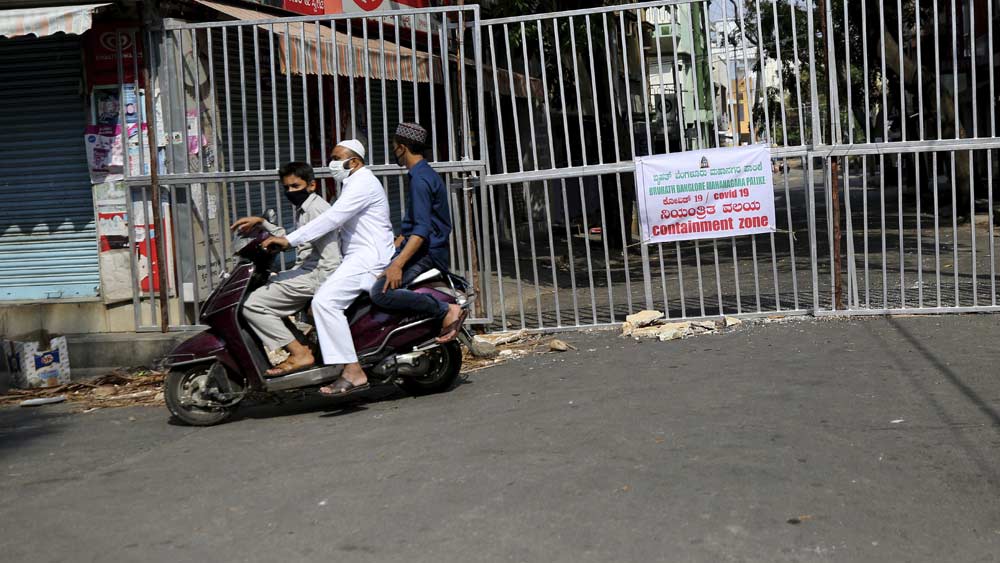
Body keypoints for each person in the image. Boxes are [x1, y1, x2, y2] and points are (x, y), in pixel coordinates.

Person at [262, 140, 395, 396]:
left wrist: (289, 241)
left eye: (336, 158)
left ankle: (353, 370)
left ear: (353, 162)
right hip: (356, 256)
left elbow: (332, 218)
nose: (332, 163)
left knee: (324, 302)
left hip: (368, 258)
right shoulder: (351, 184)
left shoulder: (363, 183)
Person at [231, 162, 341, 377]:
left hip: (316, 275)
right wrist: (263, 223)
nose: (290, 192)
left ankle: (300, 353)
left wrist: (321, 290)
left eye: (295, 186)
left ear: (312, 185)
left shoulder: (316, 209)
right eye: (287, 188)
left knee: (253, 305)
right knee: (264, 291)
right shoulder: (307, 207)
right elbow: (296, 239)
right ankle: (302, 344)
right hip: (306, 270)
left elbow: (331, 257)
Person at [370, 123, 465, 342]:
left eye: (395, 147)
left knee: (381, 293)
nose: (394, 152)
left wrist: (397, 265)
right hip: (425, 249)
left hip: (427, 253)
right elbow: (414, 225)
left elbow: (421, 231)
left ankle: (445, 310)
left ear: (402, 148)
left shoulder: (420, 180)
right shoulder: (422, 174)